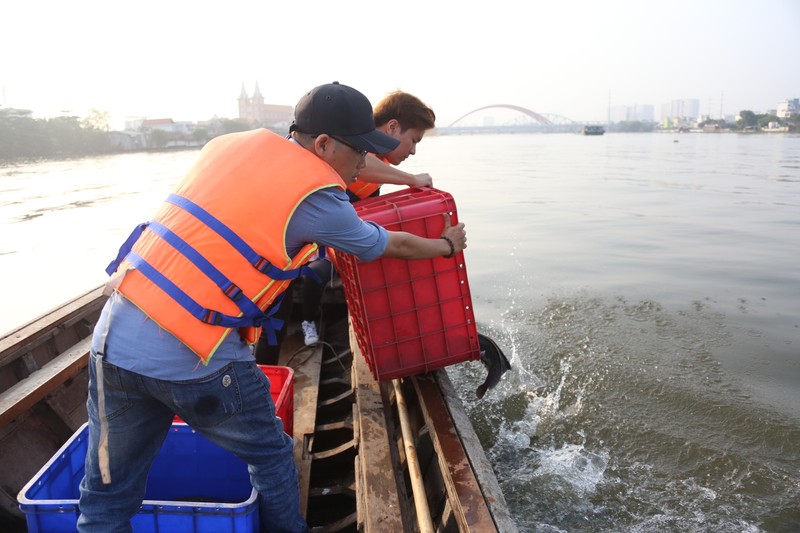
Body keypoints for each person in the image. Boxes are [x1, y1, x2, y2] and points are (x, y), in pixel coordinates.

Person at [77, 81, 465, 533]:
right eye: (359, 152)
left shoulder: (228, 144)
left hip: (112, 340)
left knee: (105, 501)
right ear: (322, 144)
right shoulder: (319, 196)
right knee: (273, 454)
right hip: (194, 354)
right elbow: (388, 244)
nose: (363, 165)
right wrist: (444, 244)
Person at [298, 91, 437, 346]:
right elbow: (367, 168)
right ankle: (307, 322)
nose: (414, 151)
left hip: (340, 242)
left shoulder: (368, 162)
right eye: (413, 140)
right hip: (317, 249)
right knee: (315, 273)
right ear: (393, 127)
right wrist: (412, 179)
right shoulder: (357, 157)